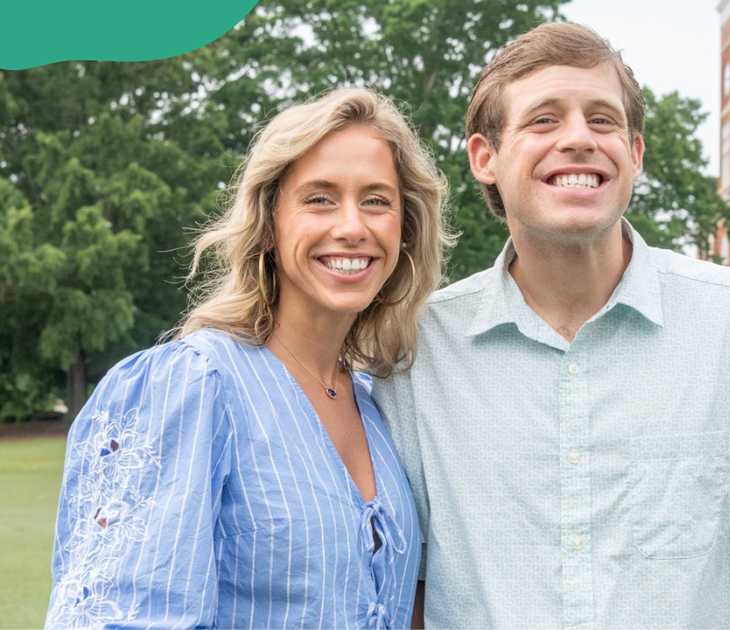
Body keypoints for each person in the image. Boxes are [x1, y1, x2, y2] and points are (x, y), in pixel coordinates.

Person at [373, 22, 730, 628]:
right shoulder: (416, 352)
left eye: (603, 120)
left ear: (634, 154)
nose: (579, 138)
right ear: (486, 158)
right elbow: (409, 587)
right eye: (544, 120)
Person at [46, 87, 452, 629]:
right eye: (320, 198)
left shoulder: (380, 406)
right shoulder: (189, 386)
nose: (353, 226)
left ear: (405, 230)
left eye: (377, 200)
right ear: (268, 224)